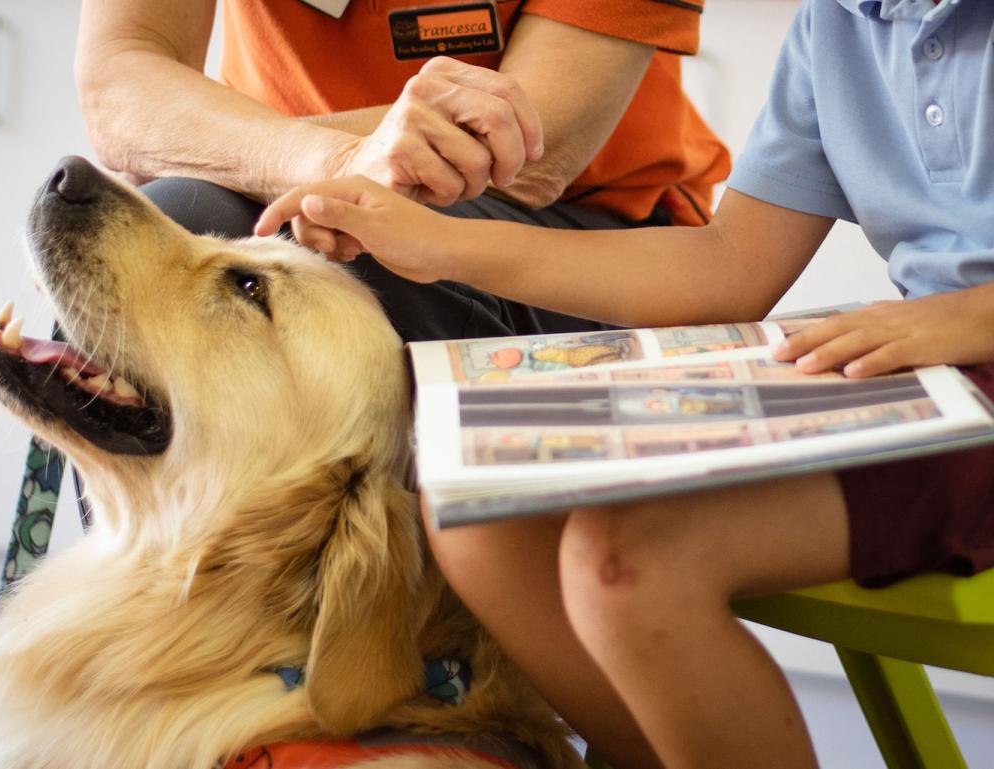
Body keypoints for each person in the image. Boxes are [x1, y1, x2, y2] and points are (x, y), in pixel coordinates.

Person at [255, 0, 994, 766]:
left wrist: (974, 314)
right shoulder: (838, 22)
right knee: (485, 514)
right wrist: (445, 244)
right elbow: (730, 267)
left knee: (630, 564)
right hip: (921, 369)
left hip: (950, 366)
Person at [73, 0, 729, 342]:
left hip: (581, 229)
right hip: (273, 190)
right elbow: (119, 89)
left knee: (336, 260)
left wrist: (234, 146)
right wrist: (333, 162)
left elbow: (533, 144)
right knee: (148, 249)